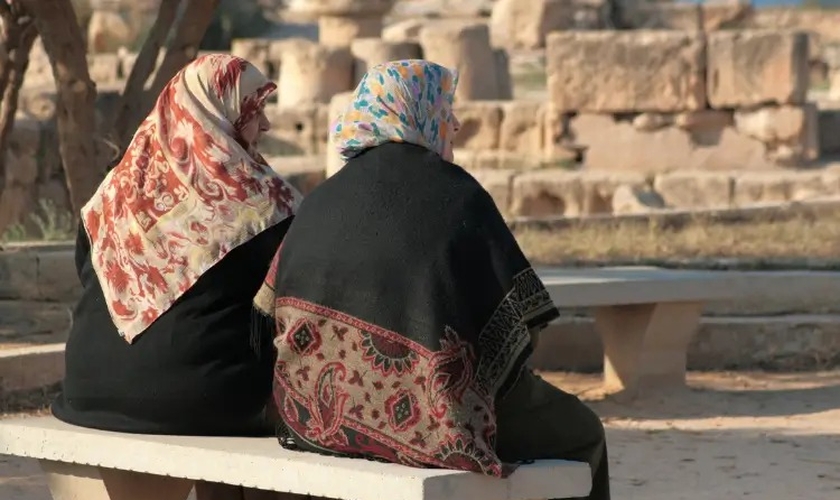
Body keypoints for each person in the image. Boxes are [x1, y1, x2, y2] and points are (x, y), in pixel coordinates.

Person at [252, 60, 610, 499]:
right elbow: (523, 322)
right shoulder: (457, 193)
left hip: (310, 418)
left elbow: (267, 311)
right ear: (417, 112)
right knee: (584, 433)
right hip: (437, 421)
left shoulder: (320, 198)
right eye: (445, 109)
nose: (456, 123)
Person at [52, 54, 303, 436]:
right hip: (199, 399)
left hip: (86, 390)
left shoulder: (111, 193)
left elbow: (86, 271)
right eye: (253, 109)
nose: (266, 124)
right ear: (214, 112)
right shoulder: (261, 204)